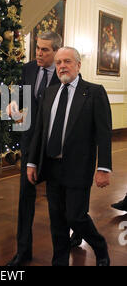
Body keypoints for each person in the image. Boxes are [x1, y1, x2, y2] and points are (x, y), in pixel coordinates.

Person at [27, 47, 112, 266]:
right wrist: (32, 162)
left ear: (78, 65)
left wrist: (103, 167)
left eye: (67, 61)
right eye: (58, 63)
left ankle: (99, 245)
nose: (62, 66)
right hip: (52, 166)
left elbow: (104, 133)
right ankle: (60, 261)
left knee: (76, 216)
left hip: (78, 167)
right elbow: (40, 130)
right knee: (57, 220)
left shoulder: (93, 92)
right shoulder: (50, 92)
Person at [6, 32, 82, 267]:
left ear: (57, 51)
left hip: (56, 149)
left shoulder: (66, 73)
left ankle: (75, 233)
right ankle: (23, 251)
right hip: (31, 144)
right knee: (25, 199)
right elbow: (20, 96)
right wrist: (14, 104)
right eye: (37, 48)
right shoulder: (28, 69)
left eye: (45, 50)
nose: (39, 53)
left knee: (60, 202)